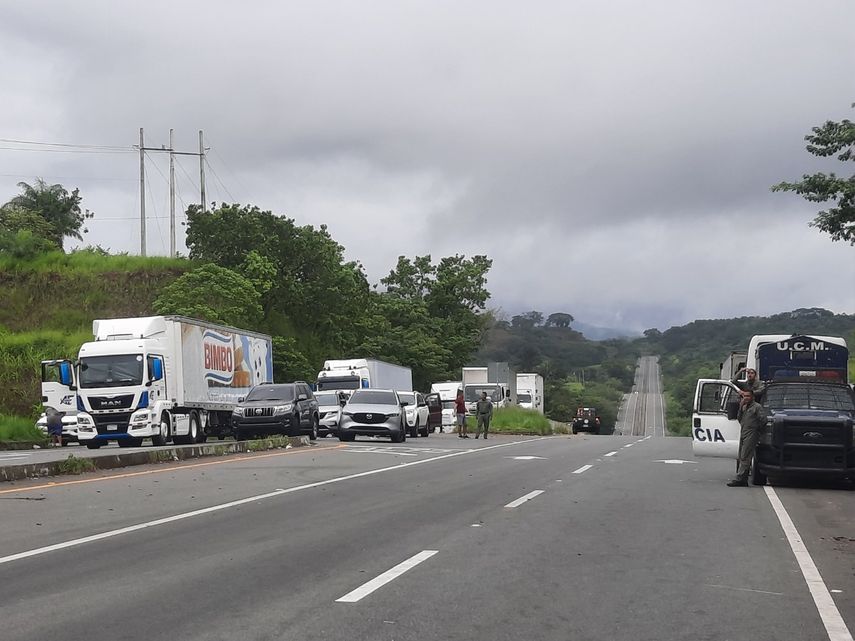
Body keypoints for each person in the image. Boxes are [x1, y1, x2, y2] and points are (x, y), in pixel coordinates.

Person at [727, 389, 766, 487]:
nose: (746, 398)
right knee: (741, 455)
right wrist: (740, 407)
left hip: (752, 433)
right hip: (744, 432)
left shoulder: (757, 407)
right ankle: (743, 479)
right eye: (744, 396)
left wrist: (757, 430)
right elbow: (739, 418)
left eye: (748, 396)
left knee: (745, 456)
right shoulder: (744, 406)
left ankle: (739, 478)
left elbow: (763, 420)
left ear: (752, 397)